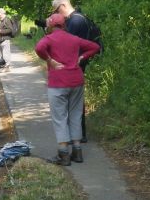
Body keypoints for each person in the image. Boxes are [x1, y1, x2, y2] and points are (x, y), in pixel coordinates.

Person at [34, 13, 100, 165]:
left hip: (58, 83)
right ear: (64, 25)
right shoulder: (74, 38)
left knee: (60, 118)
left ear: (50, 25)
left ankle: (63, 154)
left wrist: (50, 60)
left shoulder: (49, 38)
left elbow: (39, 48)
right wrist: (81, 58)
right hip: (77, 81)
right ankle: (77, 152)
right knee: (75, 116)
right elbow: (95, 47)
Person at [51, 0, 91, 142]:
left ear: (62, 5)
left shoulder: (75, 21)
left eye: (56, 10)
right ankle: (79, 136)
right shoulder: (80, 17)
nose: (56, 14)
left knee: (72, 103)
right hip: (78, 64)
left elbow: (67, 46)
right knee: (75, 102)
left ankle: (77, 137)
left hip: (74, 66)